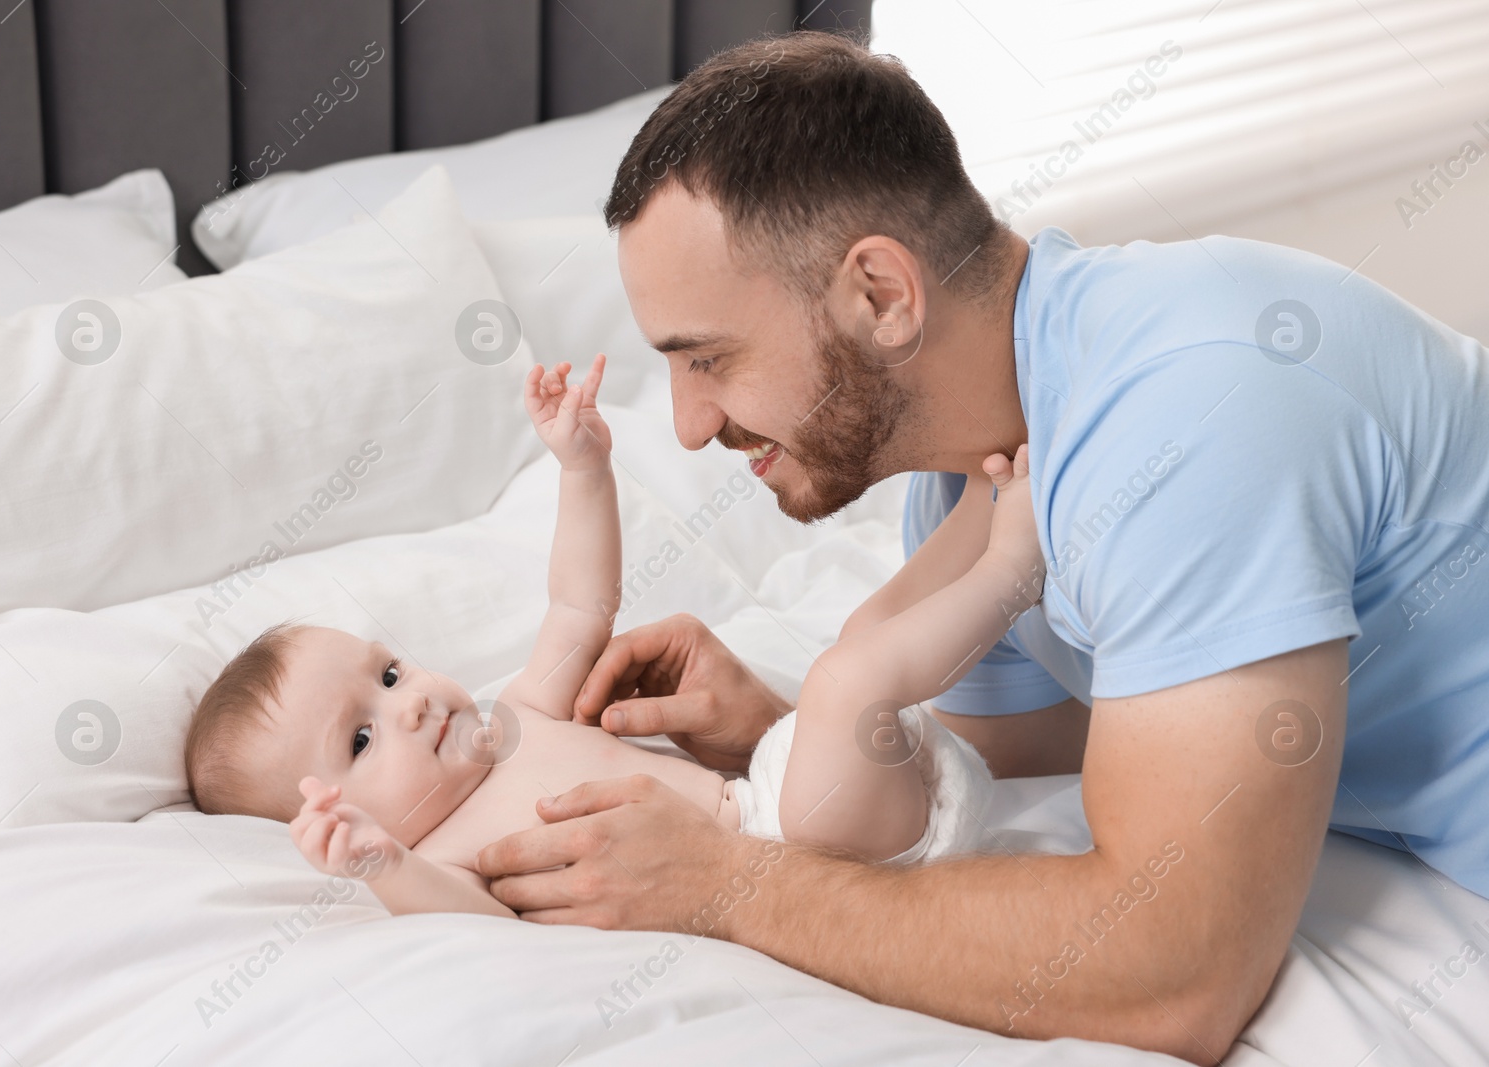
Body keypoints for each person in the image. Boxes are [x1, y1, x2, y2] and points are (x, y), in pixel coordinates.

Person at [472, 30, 1489, 1064]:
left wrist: (719, 883)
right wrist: (781, 737)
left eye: (709, 358)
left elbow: (1177, 973)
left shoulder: (1189, 419)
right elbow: (1015, 775)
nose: (689, 423)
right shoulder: (975, 473)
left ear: (880, 293)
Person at [182, 354, 1035, 917]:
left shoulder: (516, 717)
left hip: (801, 794)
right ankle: (1010, 575)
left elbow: (579, 604)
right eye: (361, 737)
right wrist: (380, 865)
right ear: (336, 813)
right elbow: (466, 923)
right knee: (851, 678)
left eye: (392, 674)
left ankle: (986, 491)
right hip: (793, 850)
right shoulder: (445, 854)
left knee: (861, 637)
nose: (406, 708)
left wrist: (582, 469)